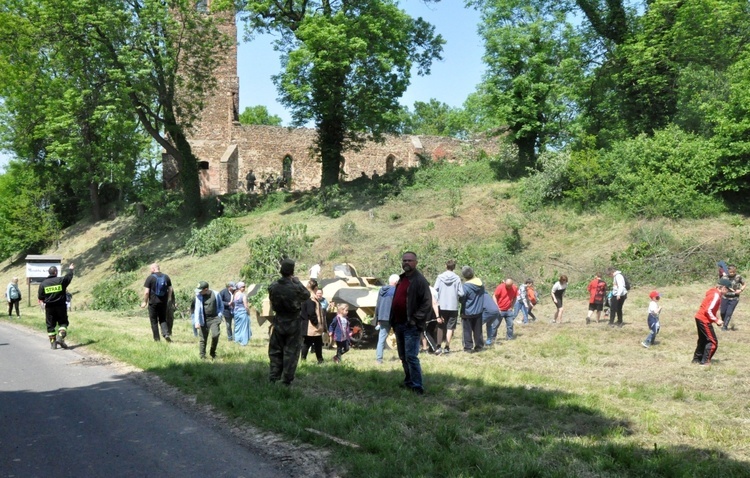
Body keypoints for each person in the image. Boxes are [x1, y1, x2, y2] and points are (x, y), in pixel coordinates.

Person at [390, 251, 432, 395]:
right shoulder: (402, 279)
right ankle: (408, 381)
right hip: (399, 324)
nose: (406, 263)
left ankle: (417, 386)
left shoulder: (419, 280)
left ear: (416, 262)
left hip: (411, 326)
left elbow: (427, 303)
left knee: (411, 357)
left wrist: (415, 319)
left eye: (410, 260)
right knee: (403, 356)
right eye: (404, 260)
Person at [267, 259, 311, 385]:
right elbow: (306, 295)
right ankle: (286, 380)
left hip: (279, 321)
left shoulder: (273, 286)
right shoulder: (295, 287)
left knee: (276, 351)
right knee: (291, 352)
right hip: (293, 322)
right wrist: (297, 282)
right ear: (292, 271)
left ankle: (274, 377)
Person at [692, 278, 730, 366]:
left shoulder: (713, 292)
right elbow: (708, 310)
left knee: (703, 340)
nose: (727, 291)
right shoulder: (716, 295)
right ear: (723, 287)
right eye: (727, 289)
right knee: (713, 342)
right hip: (704, 319)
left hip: (699, 317)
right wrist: (716, 320)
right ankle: (705, 362)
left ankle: (696, 360)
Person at [38, 264, 75, 349]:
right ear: (55, 272)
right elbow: (68, 278)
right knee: (63, 323)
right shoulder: (60, 280)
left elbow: (40, 297)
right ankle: (60, 337)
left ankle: (53, 344)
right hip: (61, 306)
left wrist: (47, 299)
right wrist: (71, 270)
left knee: (50, 325)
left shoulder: (43, 284)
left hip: (49, 307)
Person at [433, 259, 464, 355]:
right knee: (450, 327)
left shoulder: (440, 277)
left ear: (445, 266)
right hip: (453, 306)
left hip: (441, 306)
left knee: (440, 326)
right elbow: (461, 293)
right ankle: (447, 347)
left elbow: (435, 290)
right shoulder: (457, 278)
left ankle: (438, 347)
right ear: (454, 267)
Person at [191, 281, 225, 360]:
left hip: (214, 318)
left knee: (215, 335)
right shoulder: (198, 296)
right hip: (204, 319)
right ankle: (202, 356)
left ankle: (212, 353)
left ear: (206, 289)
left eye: (200, 290)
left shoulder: (216, 294)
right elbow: (197, 310)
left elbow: (221, 306)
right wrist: (197, 322)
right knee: (203, 338)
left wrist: (219, 315)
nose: (199, 292)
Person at [140, 263, 173, 342]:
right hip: (163, 302)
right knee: (163, 319)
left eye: (151, 269)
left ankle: (157, 339)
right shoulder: (166, 277)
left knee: (154, 321)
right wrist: (168, 299)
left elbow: (146, 292)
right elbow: (170, 289)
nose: (150, 270)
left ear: (154, 269)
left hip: (153, 302)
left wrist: (145, 302)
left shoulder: (150, 278)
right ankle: (166, 334)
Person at [460, 266, 485, 354]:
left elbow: (462, 299)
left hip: (467, 312)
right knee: (478, 330)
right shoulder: (481, 283)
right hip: (478, 311)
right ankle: (479, 346)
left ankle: (468, 347)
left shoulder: (466, 286)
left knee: (467, 330)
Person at [374, 274, 399, 364]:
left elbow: (378, 304)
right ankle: (402, 358)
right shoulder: (396, 291)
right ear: (396, 282)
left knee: (381, 339)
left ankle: (379, 359)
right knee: (400, 338)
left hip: (383, 317)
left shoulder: (381, 290)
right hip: (394, 317)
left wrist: (377, 318)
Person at [301, 279, 325, 364]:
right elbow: (311, 313)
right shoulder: (311, 299)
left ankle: (320, 359)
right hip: (311, 326)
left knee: (318, 343)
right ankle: (303, 360)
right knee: (307, 343)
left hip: (311, 325)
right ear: (315, 288)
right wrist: (316, 323)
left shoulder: (307, 297)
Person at [489, 279, 517, 343]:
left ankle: (509, 337)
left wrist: (512, 306)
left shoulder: (514, 288)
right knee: (495, 325)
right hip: (500, 310)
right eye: (507, 286)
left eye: (509, 286)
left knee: (510, 325)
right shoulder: (500, 287)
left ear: (512, 284)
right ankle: (492, 338)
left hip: (508, 310)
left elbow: (515, 297)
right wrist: (497, 307)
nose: (508, 287)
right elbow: (494, 296)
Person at [720, 264, 745, 331]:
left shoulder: (738, 277)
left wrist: (741, 290)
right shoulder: (724, 277)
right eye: (731, 272)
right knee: (722, 312)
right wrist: (722, 290)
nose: (732, 273)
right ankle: (723, 322)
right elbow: (719, 286)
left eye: (734, 272)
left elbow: (744, 284)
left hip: (734, 298)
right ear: (728, 271)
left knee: (729, 312)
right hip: (725, 297)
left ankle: (725, 326)